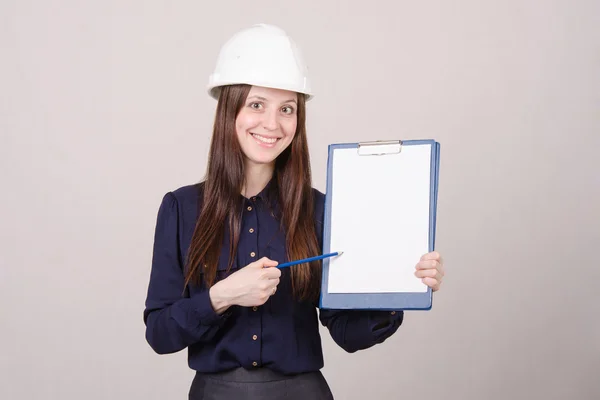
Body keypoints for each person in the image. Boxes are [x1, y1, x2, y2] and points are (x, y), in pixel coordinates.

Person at [143, 23, 445, 400]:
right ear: (228, 110)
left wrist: (398, 285)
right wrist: (222, 295)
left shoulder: (319, 210)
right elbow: (160, 333)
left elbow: (346, 333)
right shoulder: (181, 209)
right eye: (257, 105)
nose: (272, 124)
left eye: (287, 109)